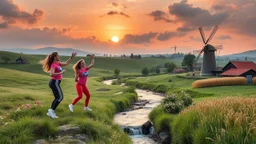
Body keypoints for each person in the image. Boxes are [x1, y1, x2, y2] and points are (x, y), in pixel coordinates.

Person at [40, 51, 77, 118]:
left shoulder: (58, 64)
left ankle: (50, 112)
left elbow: (66, 63)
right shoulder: (53, 65)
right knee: (60, 97)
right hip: (54, 82)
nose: (59, 57)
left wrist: (71, 57)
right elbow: (51, 74)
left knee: (57, 97)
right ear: (54, 57)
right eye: (58, 56)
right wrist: (61, 72)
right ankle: (51, 110)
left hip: (55, 82)